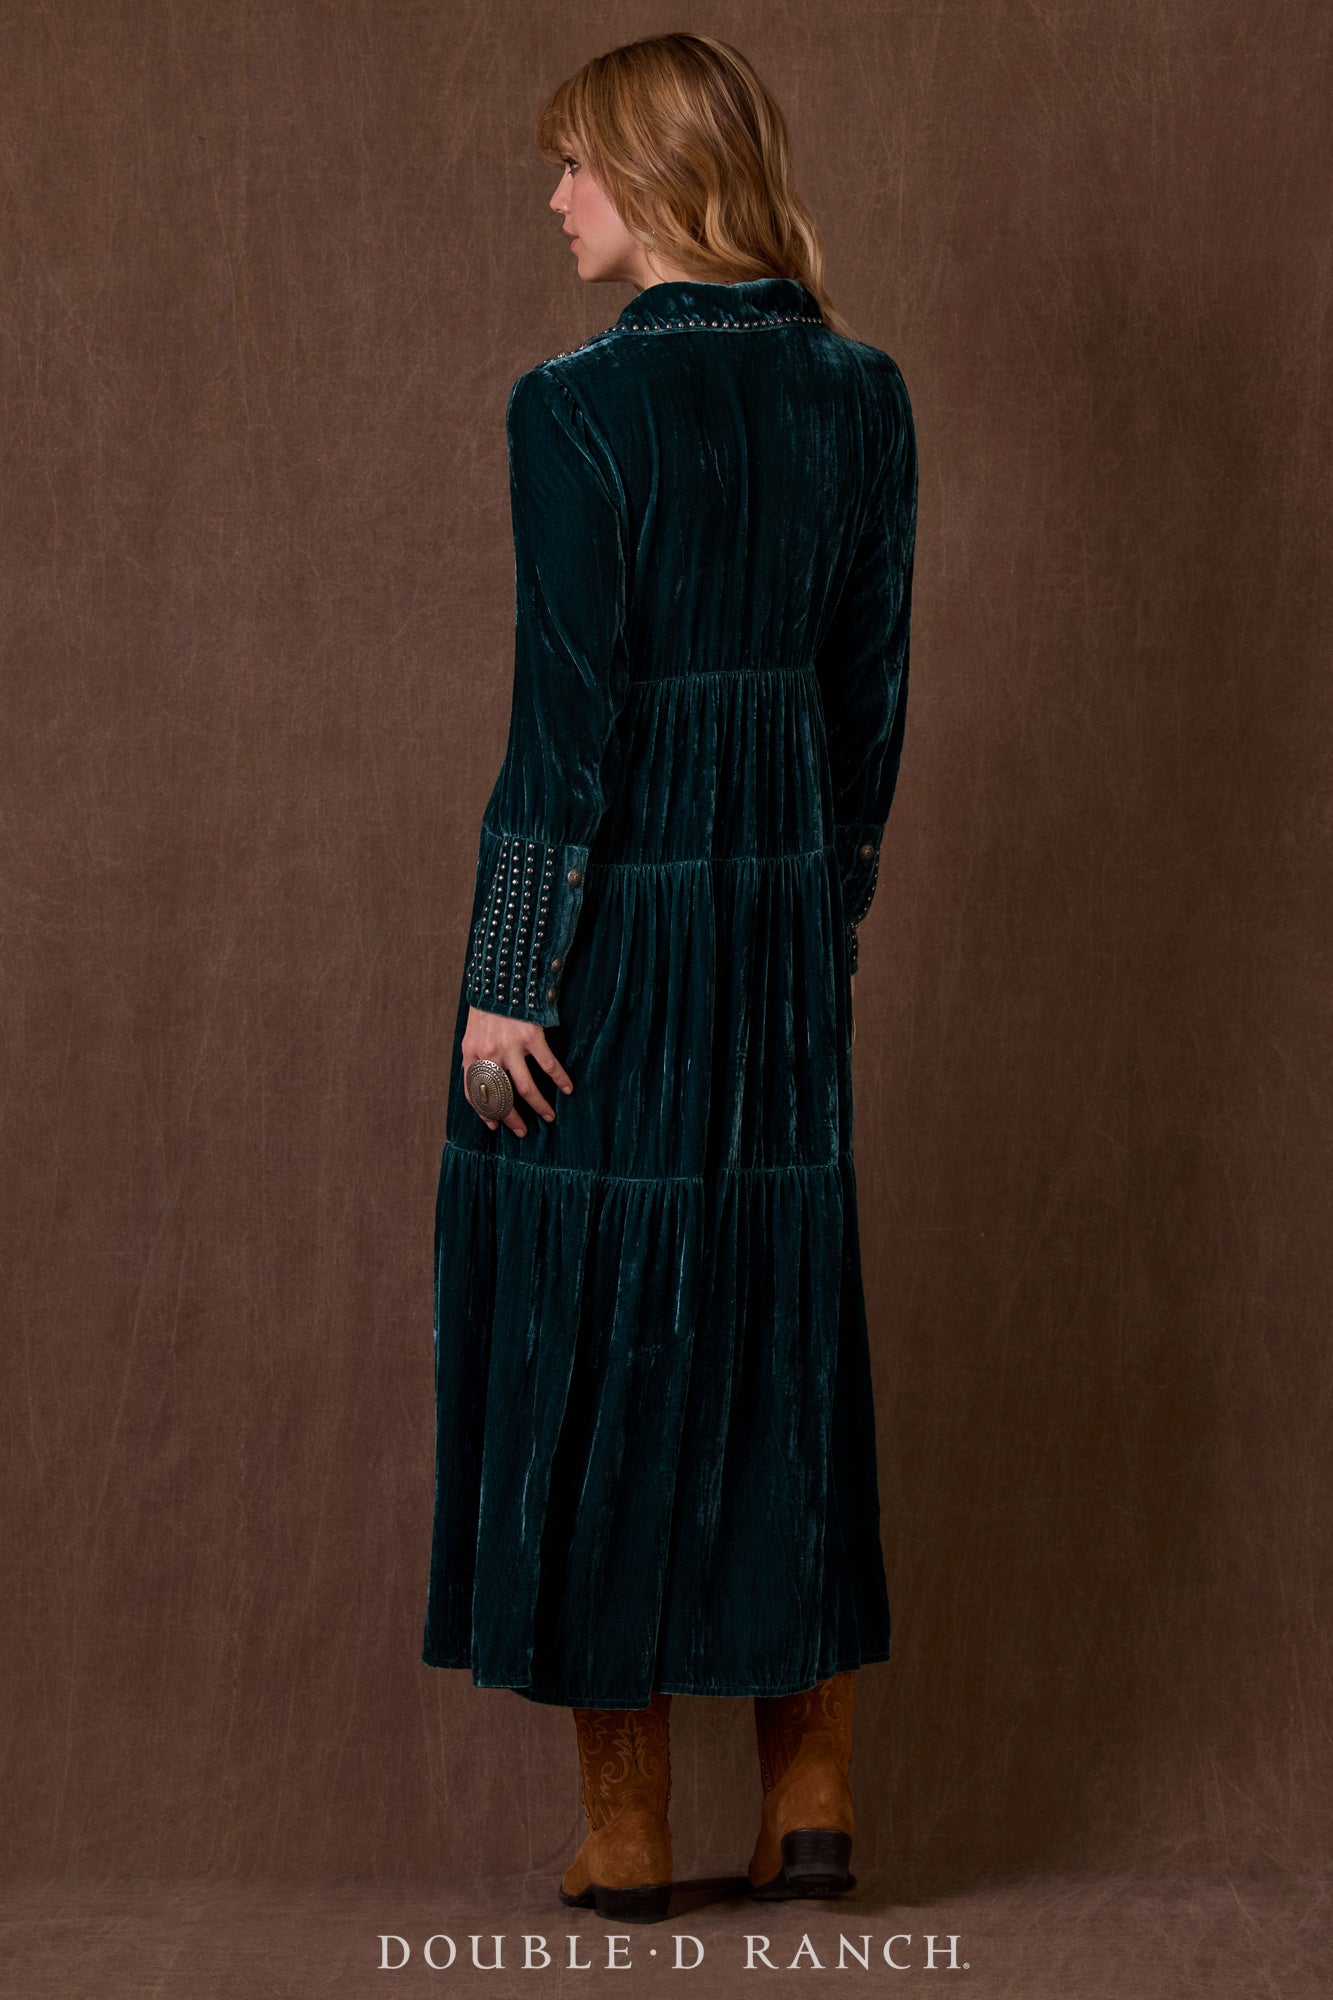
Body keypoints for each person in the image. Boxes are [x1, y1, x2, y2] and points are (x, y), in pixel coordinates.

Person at [421, 31, 918, 1924]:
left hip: (610, 932)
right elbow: (870, 710)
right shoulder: (862, 393)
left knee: (592, 1329)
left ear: (655, 174)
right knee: (778, 1333)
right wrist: (817, 929)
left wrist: (508, 976)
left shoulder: (575, 407)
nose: (554, 201)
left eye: (574, 165)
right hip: (781, 934)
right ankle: (812, 1800)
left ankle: (628, 1828)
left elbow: (565, 726)